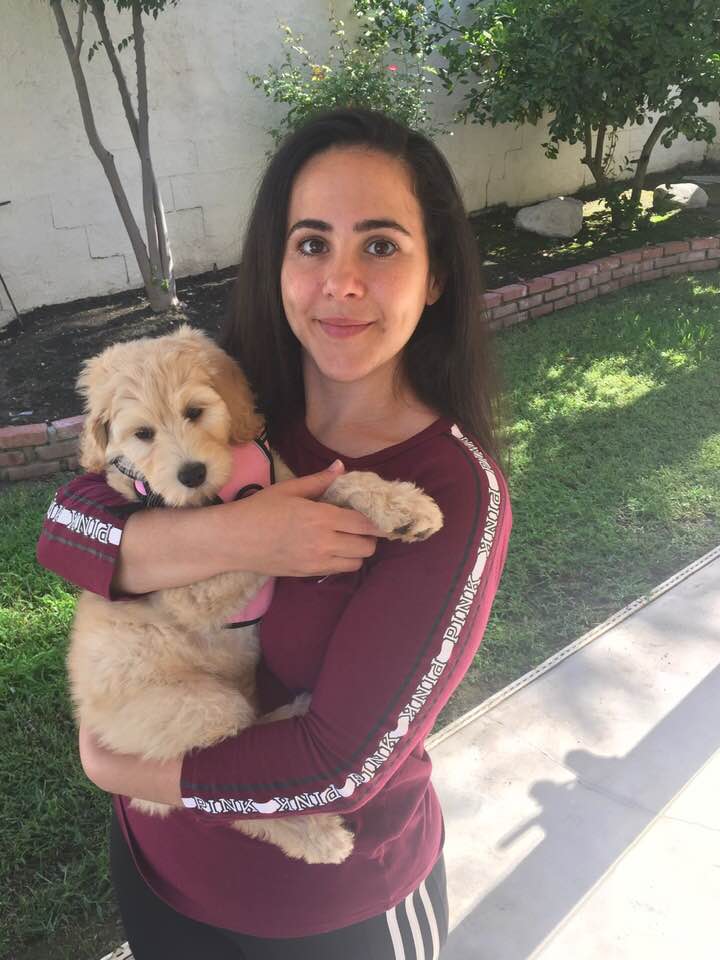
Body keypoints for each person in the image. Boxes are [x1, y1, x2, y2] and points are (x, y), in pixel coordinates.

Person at [37, 107, 512, 959]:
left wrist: (123, 770)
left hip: (329, 911)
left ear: (436, 273)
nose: (341, 281)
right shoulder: (233, 400)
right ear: (278, 263)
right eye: (311, 243)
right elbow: (67, 528)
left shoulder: (449, 489)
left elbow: (341, 768)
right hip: (159, 871)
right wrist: (244, 537)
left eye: (380, 245)